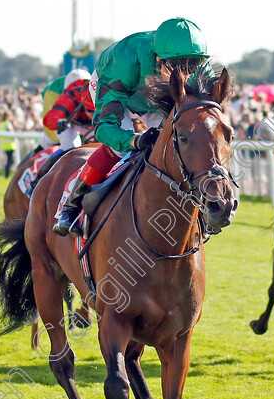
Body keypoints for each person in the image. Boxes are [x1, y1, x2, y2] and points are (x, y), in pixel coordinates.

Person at [53, 17, 210, 236]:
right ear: (158, 59)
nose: (184, 74)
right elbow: (104, 126)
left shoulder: (199, 66)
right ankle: (70, 205)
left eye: (191, 66)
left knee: (175, 142)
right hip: (119, 89)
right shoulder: (124, 62)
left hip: (154, 94)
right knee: (119, 147)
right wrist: (134, 139)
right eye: (177, 66)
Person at [43, 77, 95, 152]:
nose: (94, 115)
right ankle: (55, 160)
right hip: (70, 123)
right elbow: (50, 118)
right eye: (90, 110)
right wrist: (58, 124)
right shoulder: (71, 96)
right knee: (70, 146)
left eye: (98, 111)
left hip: (92, 126)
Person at [0, 108, 17, 178]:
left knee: (10, 161)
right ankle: (7, 174)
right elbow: (12, 134)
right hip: (10, 145)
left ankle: (6, 173)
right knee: (11, 161)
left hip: (4, 145)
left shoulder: (1, 124)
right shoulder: (7, 124)